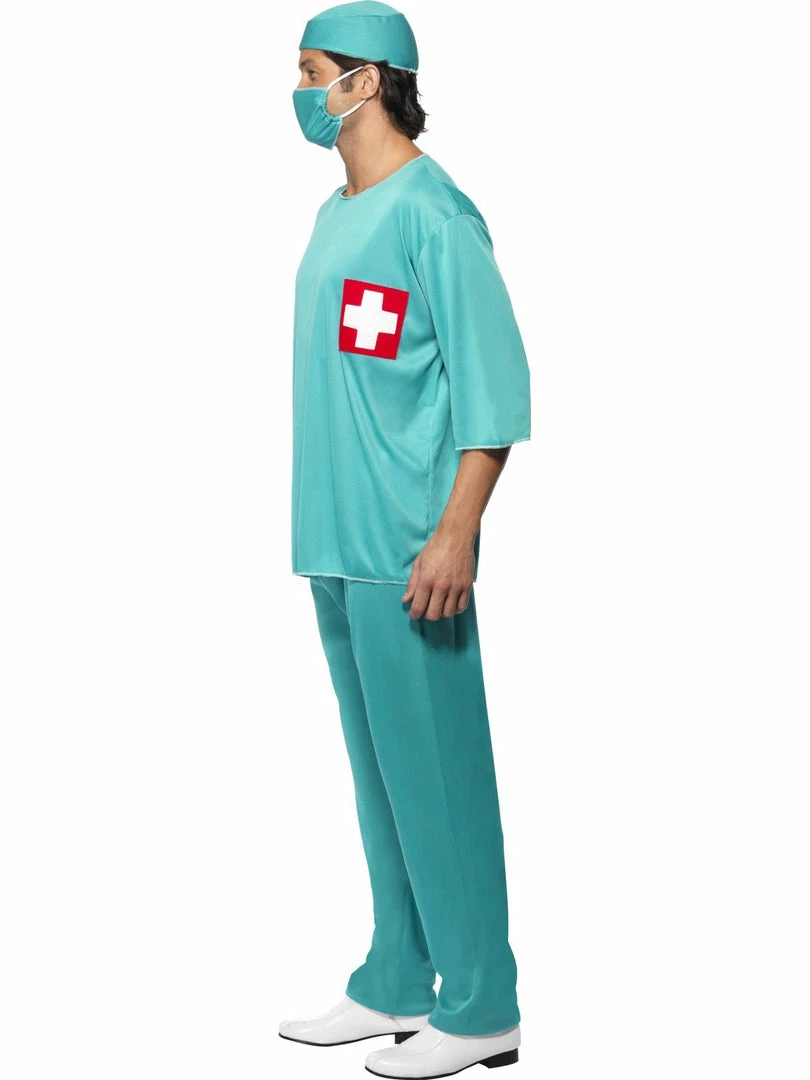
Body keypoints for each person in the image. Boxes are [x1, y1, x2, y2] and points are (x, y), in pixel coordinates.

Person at [278, 3, 531, 1076]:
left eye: (311, 71)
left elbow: (492, 386)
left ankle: (481, 1004)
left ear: (367, 81)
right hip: (334, 543)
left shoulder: (435, 213)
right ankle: (397, 974)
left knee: (441, 778)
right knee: (382, 780)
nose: (299, 92)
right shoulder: (335, 212)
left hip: (408, 551)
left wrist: (456, 532)